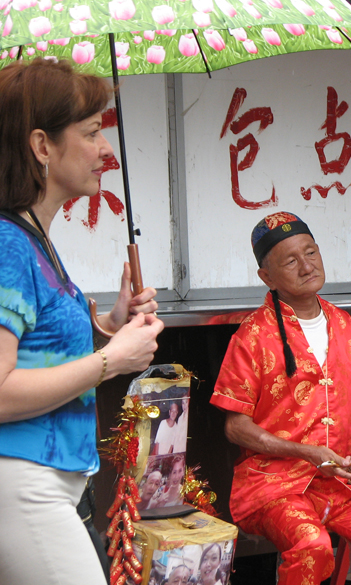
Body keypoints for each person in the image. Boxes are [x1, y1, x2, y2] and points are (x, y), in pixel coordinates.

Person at [0, 58, 164, 585]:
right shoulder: (9, 244)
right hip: (23, 483)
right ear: (42, 146)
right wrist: (109, 360)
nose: (105, 151)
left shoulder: (32, 239)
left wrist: (113, 327)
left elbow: (35, 354)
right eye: (92, 134)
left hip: (49, 482)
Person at [210, 212, 351, 585]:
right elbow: (236, 427)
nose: (306, 266)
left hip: (340, 481)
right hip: (274, 486)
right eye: (290, 260)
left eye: (311, 252)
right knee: (312, 546)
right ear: (267, 277)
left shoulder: (342, 324)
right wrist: (306, 452)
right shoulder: (252, 335)